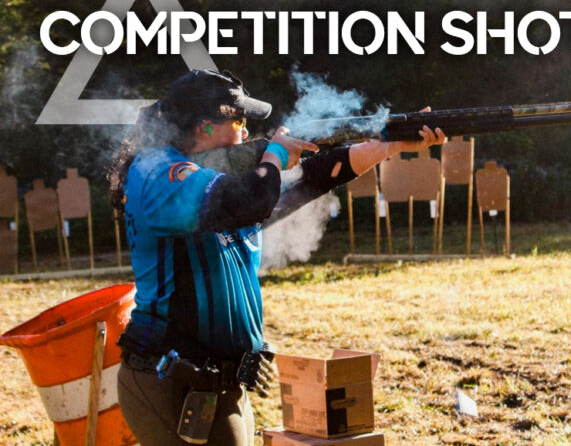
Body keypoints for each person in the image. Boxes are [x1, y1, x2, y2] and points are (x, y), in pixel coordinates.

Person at [109, 69, 445, 446]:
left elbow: (312, 178)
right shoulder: (158, 173)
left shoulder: (216, 180)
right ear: (205, 127)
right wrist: (272, 156)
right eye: (238, 121)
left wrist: (390, 146)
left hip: (221, 385)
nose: (245, 132)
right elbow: (249, 200)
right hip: (171, 384)